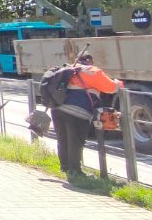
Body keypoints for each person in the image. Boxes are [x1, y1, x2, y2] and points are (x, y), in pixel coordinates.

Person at [50, 51, 119, 183]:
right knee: (75, 141)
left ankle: (65, 167)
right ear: (90, 61)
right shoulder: (93, 71)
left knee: (63, 139)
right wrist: (118, 83)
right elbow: (111, 88)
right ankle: (75, 172)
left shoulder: (67, 69)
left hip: (57, 109)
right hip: (77, 111)